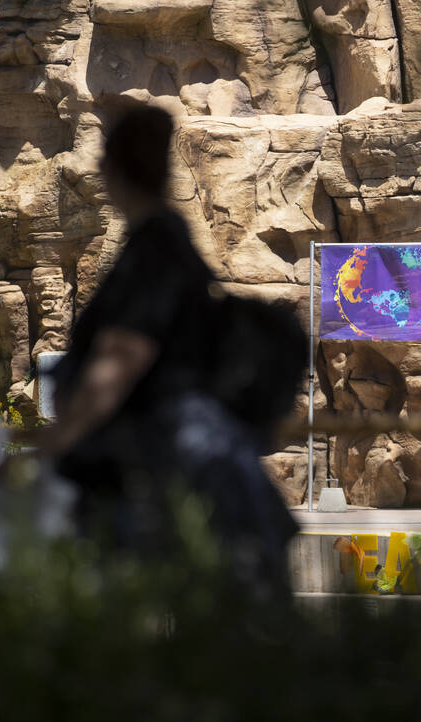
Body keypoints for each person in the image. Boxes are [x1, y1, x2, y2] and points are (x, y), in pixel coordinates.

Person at [42, 105, 298, 598]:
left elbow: (122, 358)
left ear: (112, 169)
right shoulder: (162, 242)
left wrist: (58, 441)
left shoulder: (155, 249)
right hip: (181, 455)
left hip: (173, 461)